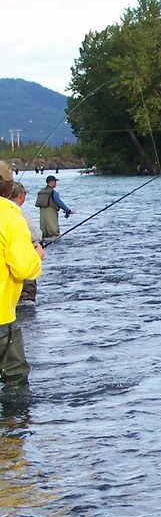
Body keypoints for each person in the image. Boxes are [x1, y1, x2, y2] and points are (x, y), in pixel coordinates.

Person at [0, 161, 44, 395]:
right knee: (14, 383)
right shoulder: (9, 217)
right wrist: (37, 255)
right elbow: (24, 270)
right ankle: (12, 429)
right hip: (2, 319)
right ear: (9, 189)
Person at [7, 182, 42, 304]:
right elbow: (36, 235)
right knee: (26, 303)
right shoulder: (18, 213)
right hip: (23, 266)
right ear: (21, 195)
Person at [36, 174, 73, 240]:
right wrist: (68, 210)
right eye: (55, 181)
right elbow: (59, 203)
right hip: (51, 214)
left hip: (42, 214)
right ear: (51, 182)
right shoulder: (53, 192)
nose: (56, 183)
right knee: (54, 234)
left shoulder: (41, 192)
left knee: (44, 235)